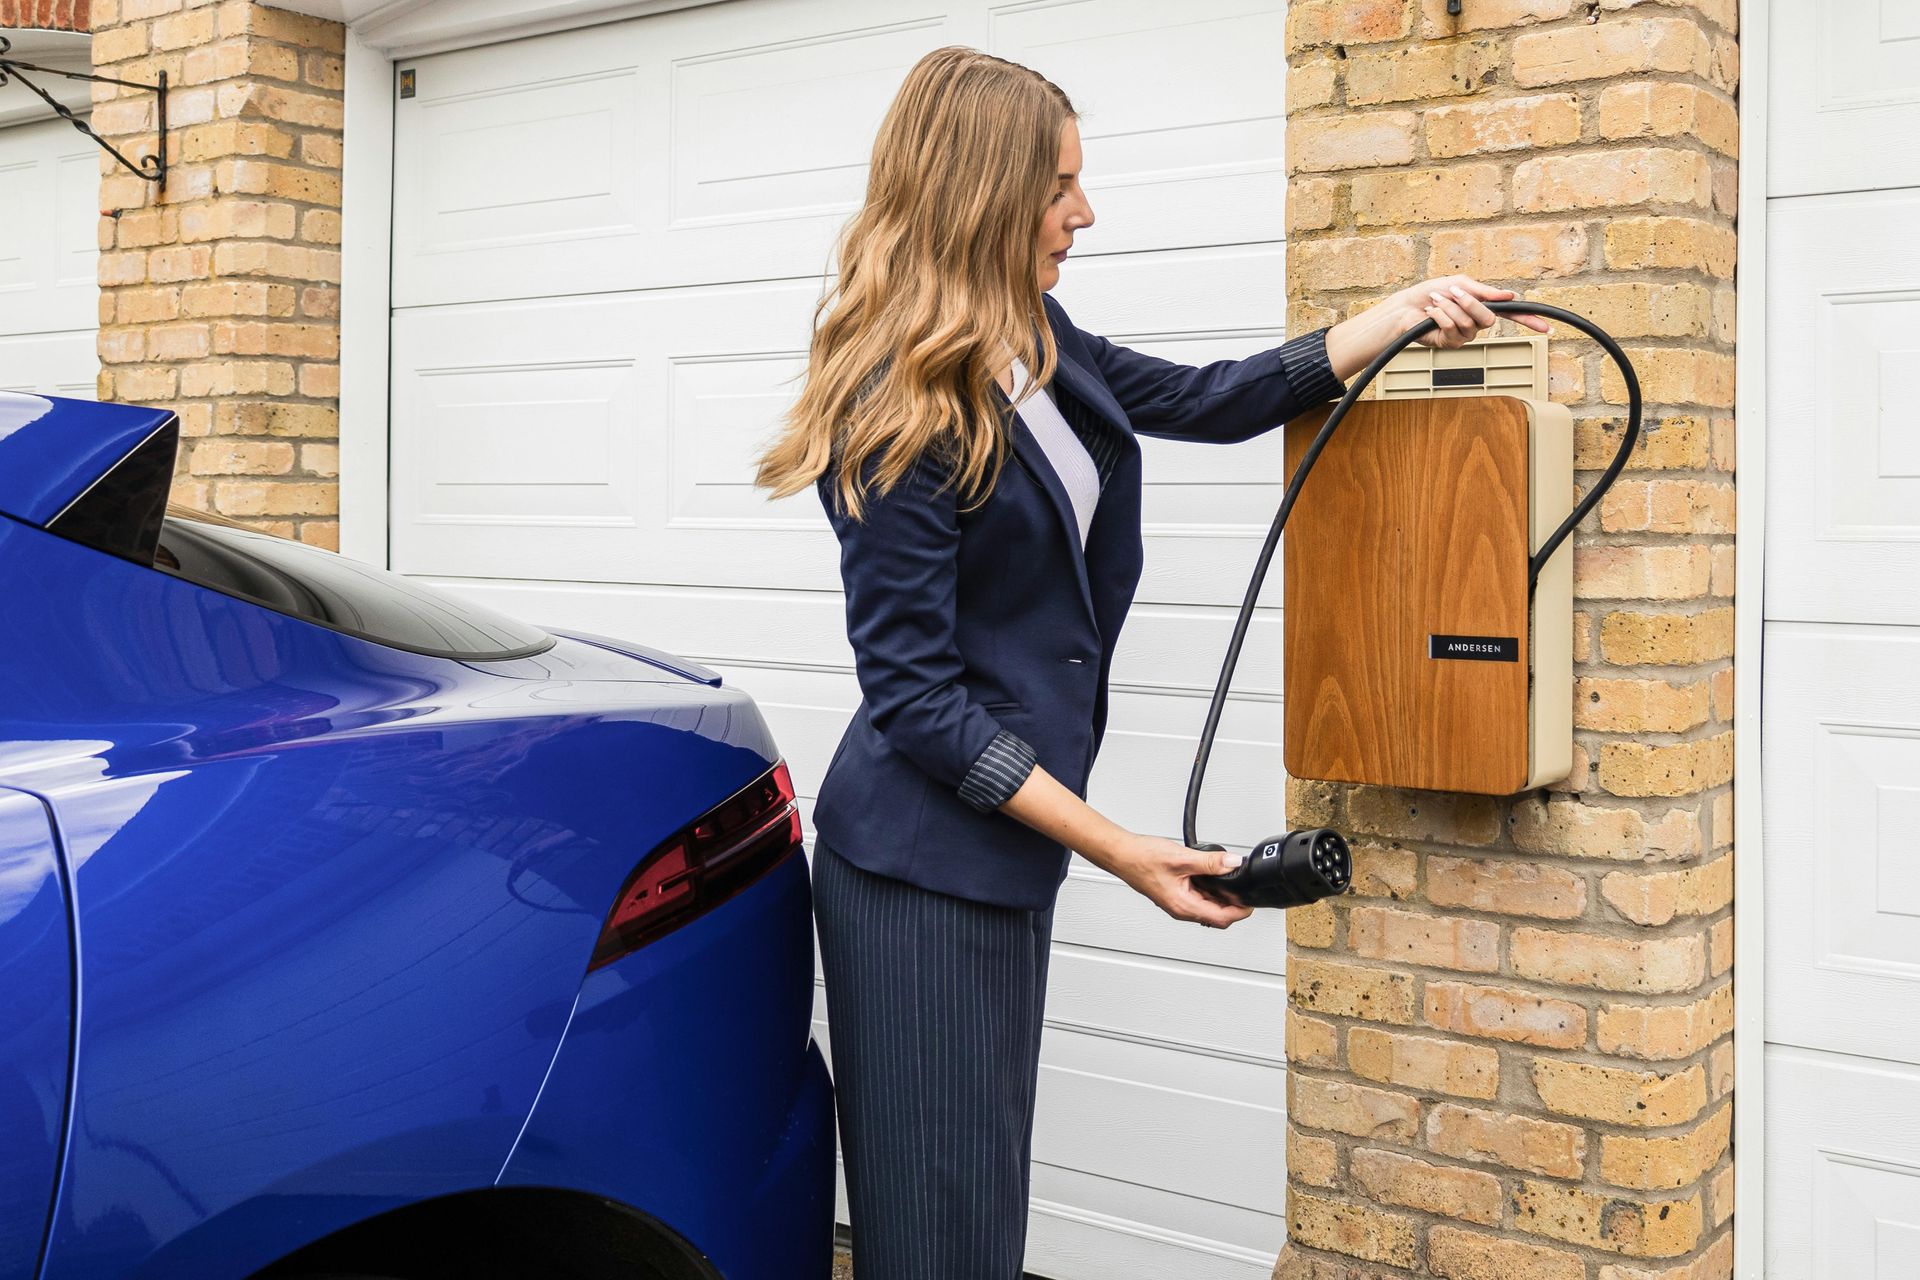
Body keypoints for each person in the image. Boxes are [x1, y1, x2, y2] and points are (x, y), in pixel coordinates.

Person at [752, 45, 1550, 1280]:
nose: (1085, 211)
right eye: (1060, 185)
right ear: (983, 189)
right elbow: (915, 698)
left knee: (976, 1206)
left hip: (996, 858)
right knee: (936, 1230)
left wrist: (1392, 317)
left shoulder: (1031, 338)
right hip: (915, 872)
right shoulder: (893, 400)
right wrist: (1124, 849)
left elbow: (1209, 396)